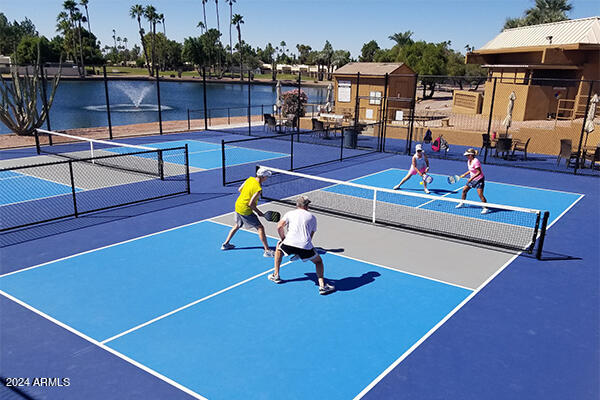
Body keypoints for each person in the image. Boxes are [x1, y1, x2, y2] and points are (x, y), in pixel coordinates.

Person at [267, 195, 335, 295]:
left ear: (297, 205)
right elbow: (310, 236)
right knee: (318, 262)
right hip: (305, 246)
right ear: (307, 206)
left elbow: (279, 226)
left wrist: (282, 239)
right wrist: (302, 249)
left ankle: (276, 275)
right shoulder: (312, 217)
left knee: (279, 248)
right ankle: (322, 286)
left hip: (288, 243)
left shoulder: (289, 214)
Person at [221, 167, 275, 257]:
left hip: (238, 205)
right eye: (266, 177)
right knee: (260, 228)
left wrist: (247, 194)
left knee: (237, 225)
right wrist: (259, 212)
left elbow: (239, 189)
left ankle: (225, 244)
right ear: (263, 177)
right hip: (245, 209)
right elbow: (251, 204)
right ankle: (267, 251)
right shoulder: (258, 189)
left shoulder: (250, 179)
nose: (267, 178)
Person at [455, 148, 489, 214]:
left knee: (480, 195)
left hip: (479, 180)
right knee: (464, 190)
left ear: (471, 155)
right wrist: (465, 174)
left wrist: (471, 178)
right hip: (472, 179)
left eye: (467, 155)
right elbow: (471, 170)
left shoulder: (476, 161)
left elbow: (479, 172)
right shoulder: (468, 161)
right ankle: (463, 203)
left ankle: (486, 208)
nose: (466, 156)